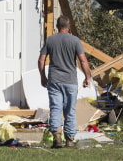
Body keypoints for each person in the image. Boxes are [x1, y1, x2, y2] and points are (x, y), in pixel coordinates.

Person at [38, 15, 91, 148]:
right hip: (70, 81)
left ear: (57, 26)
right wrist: (87, 77)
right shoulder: (75, 40)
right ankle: (70, 140)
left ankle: (56, 139)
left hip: (54, 80)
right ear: (69, 27)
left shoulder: (50, 40)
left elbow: (41, 60)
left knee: (55, 108)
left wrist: (42, 77)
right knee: (70, 111)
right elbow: (83, 60)